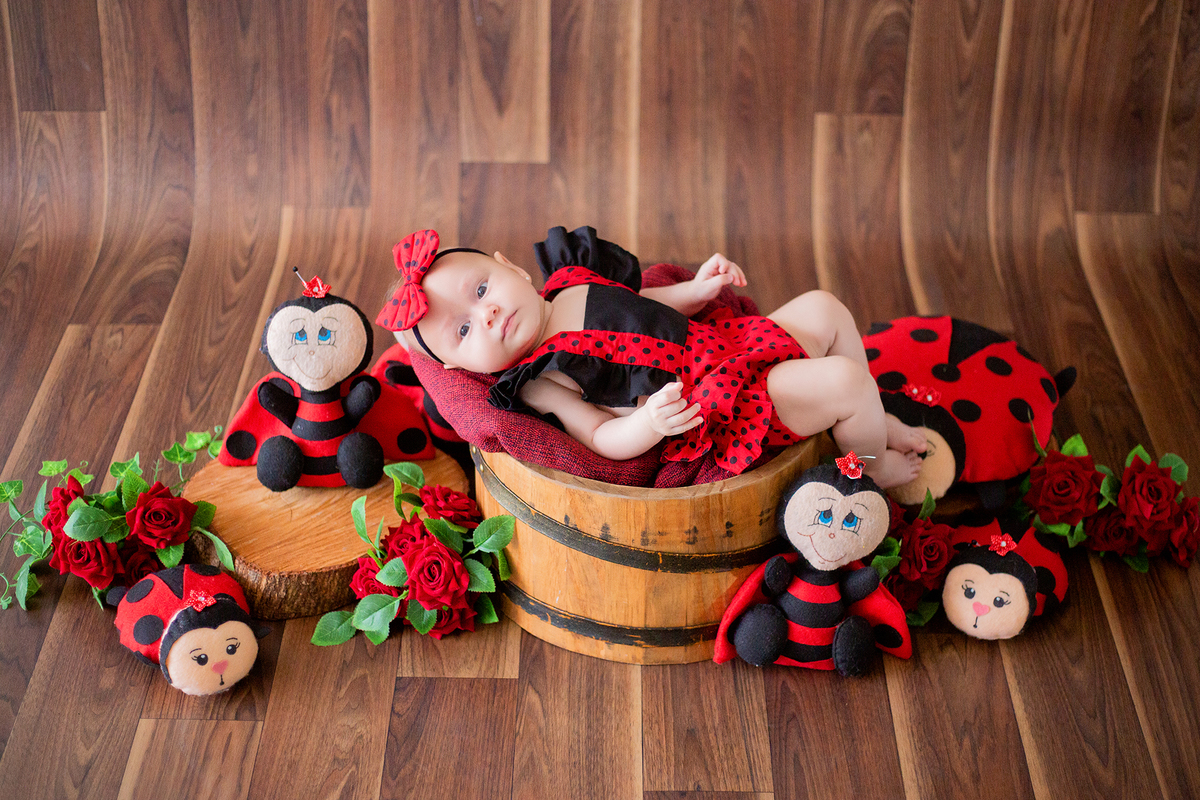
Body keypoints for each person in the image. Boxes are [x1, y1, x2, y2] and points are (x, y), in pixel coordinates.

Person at [377, 226, 926, 488]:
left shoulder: (568, 284)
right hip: (715, 405)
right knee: (844, 381)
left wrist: (698, 292)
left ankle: (877, 422)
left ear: (512, 268)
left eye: (481, 292)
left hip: (724, 346)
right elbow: (596, 435)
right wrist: (646, 423)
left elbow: (639, 306)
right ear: (462, 369)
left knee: (825, 307)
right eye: (465, 330)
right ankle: (868, 478)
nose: (489, 315)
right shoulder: (541, 377)